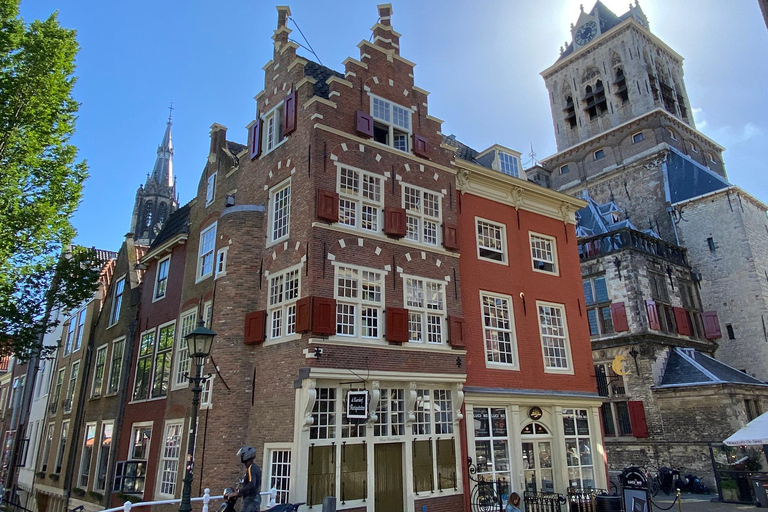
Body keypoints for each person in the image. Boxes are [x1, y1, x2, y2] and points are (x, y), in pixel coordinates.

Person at [226, 446, 262, 512]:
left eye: (242, 455)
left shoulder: (251, 468)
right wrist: (239, 490)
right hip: (255, 497)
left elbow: (251, 485)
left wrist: (238, 493)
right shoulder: (255, 467)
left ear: (247, 455)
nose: (241, 457)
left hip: (251, 499)